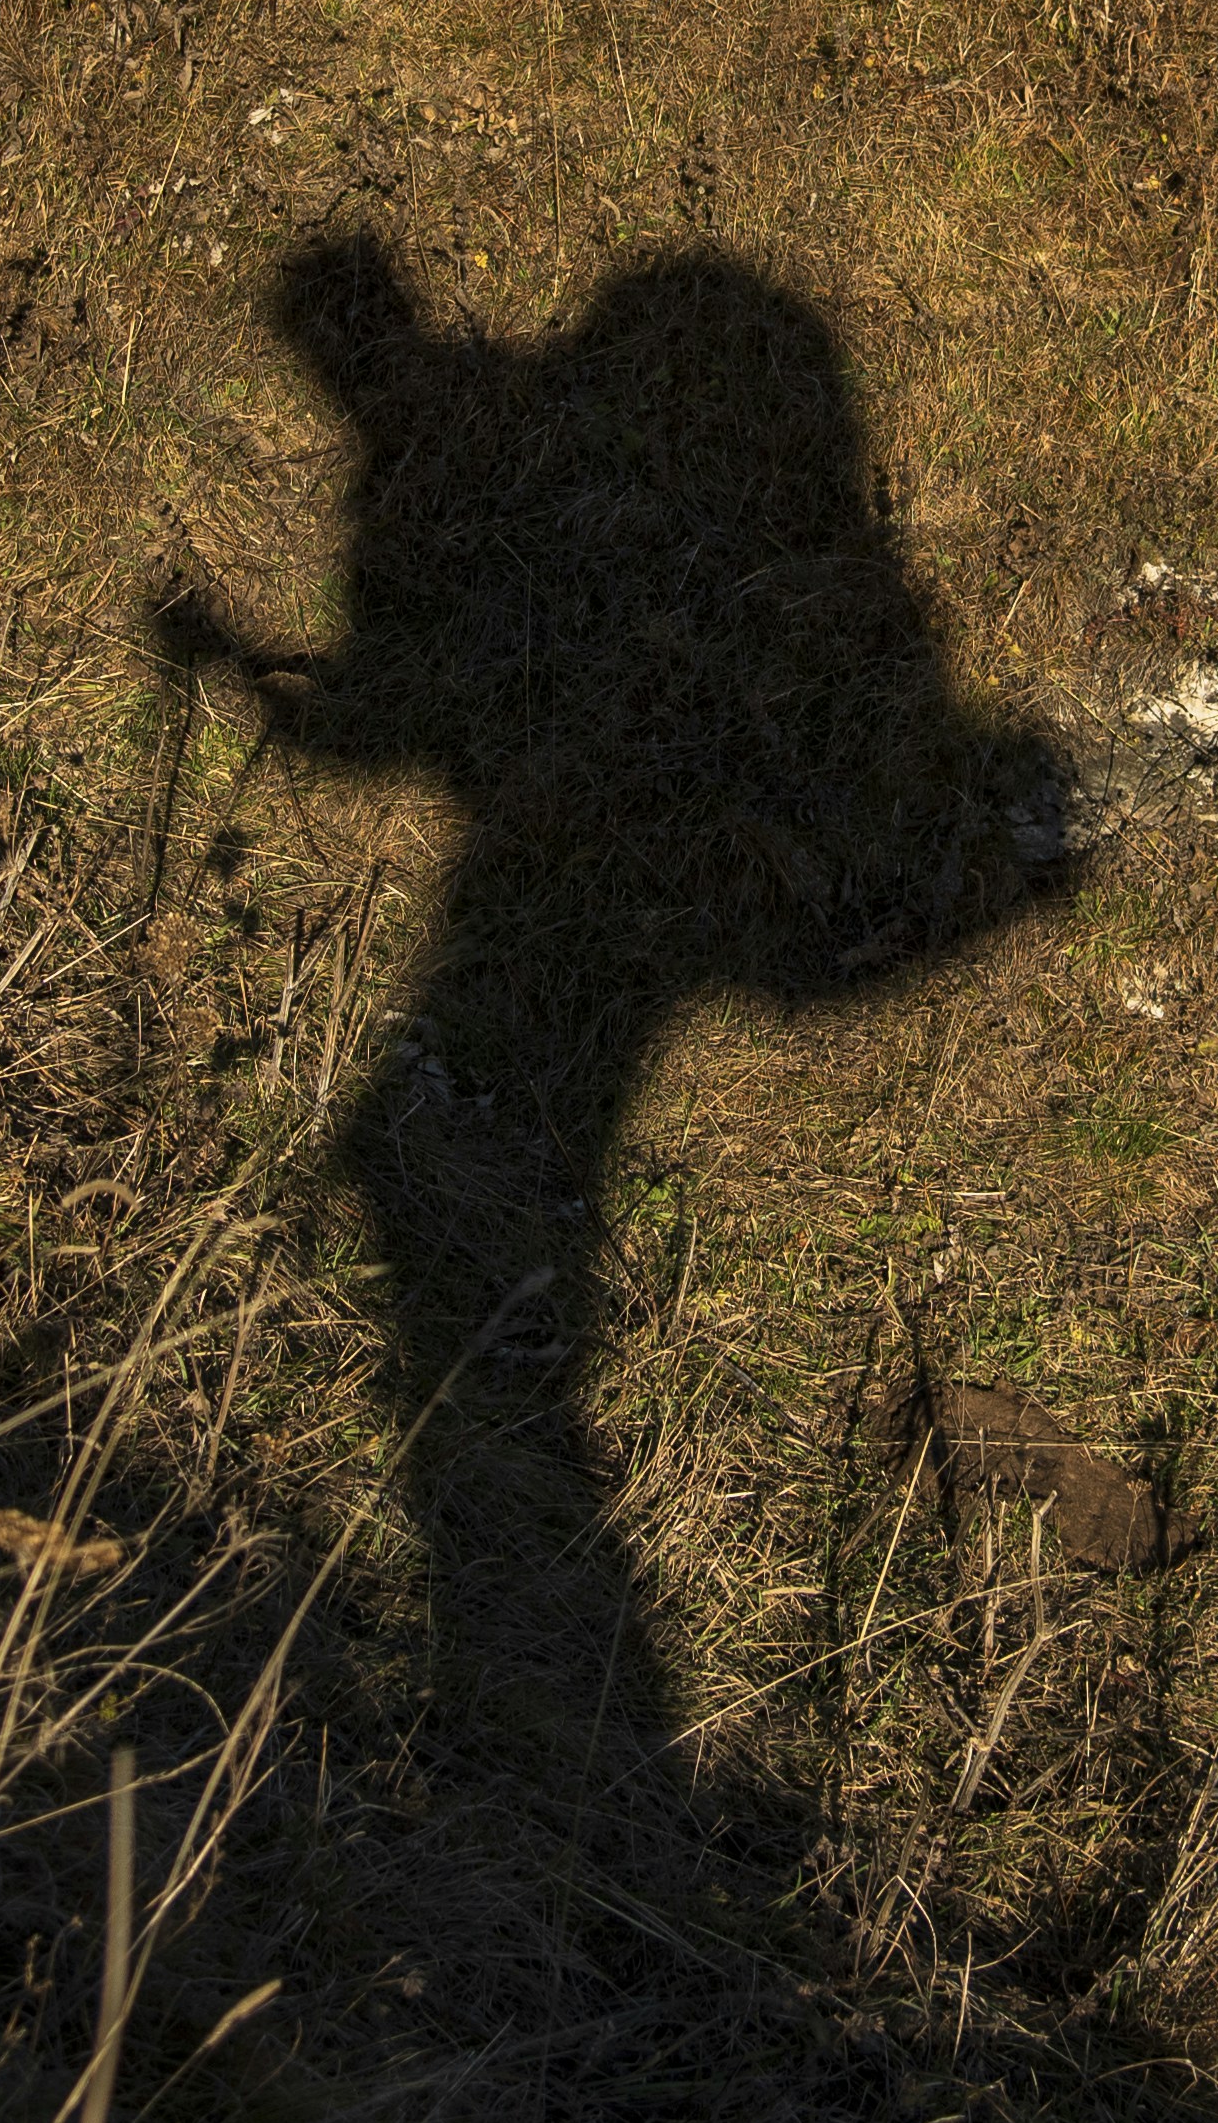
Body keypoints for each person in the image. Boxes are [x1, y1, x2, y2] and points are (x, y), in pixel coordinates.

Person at [157, 233, 1073, 1799]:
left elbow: (421, 709)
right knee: (463, 1217)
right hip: (592, 881)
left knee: (473, 1243)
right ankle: (549, 1713)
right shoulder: (454, 453)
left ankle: (560, 1720)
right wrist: (262, 688)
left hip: (605, 881)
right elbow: (412, 711)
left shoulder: (498, 440)